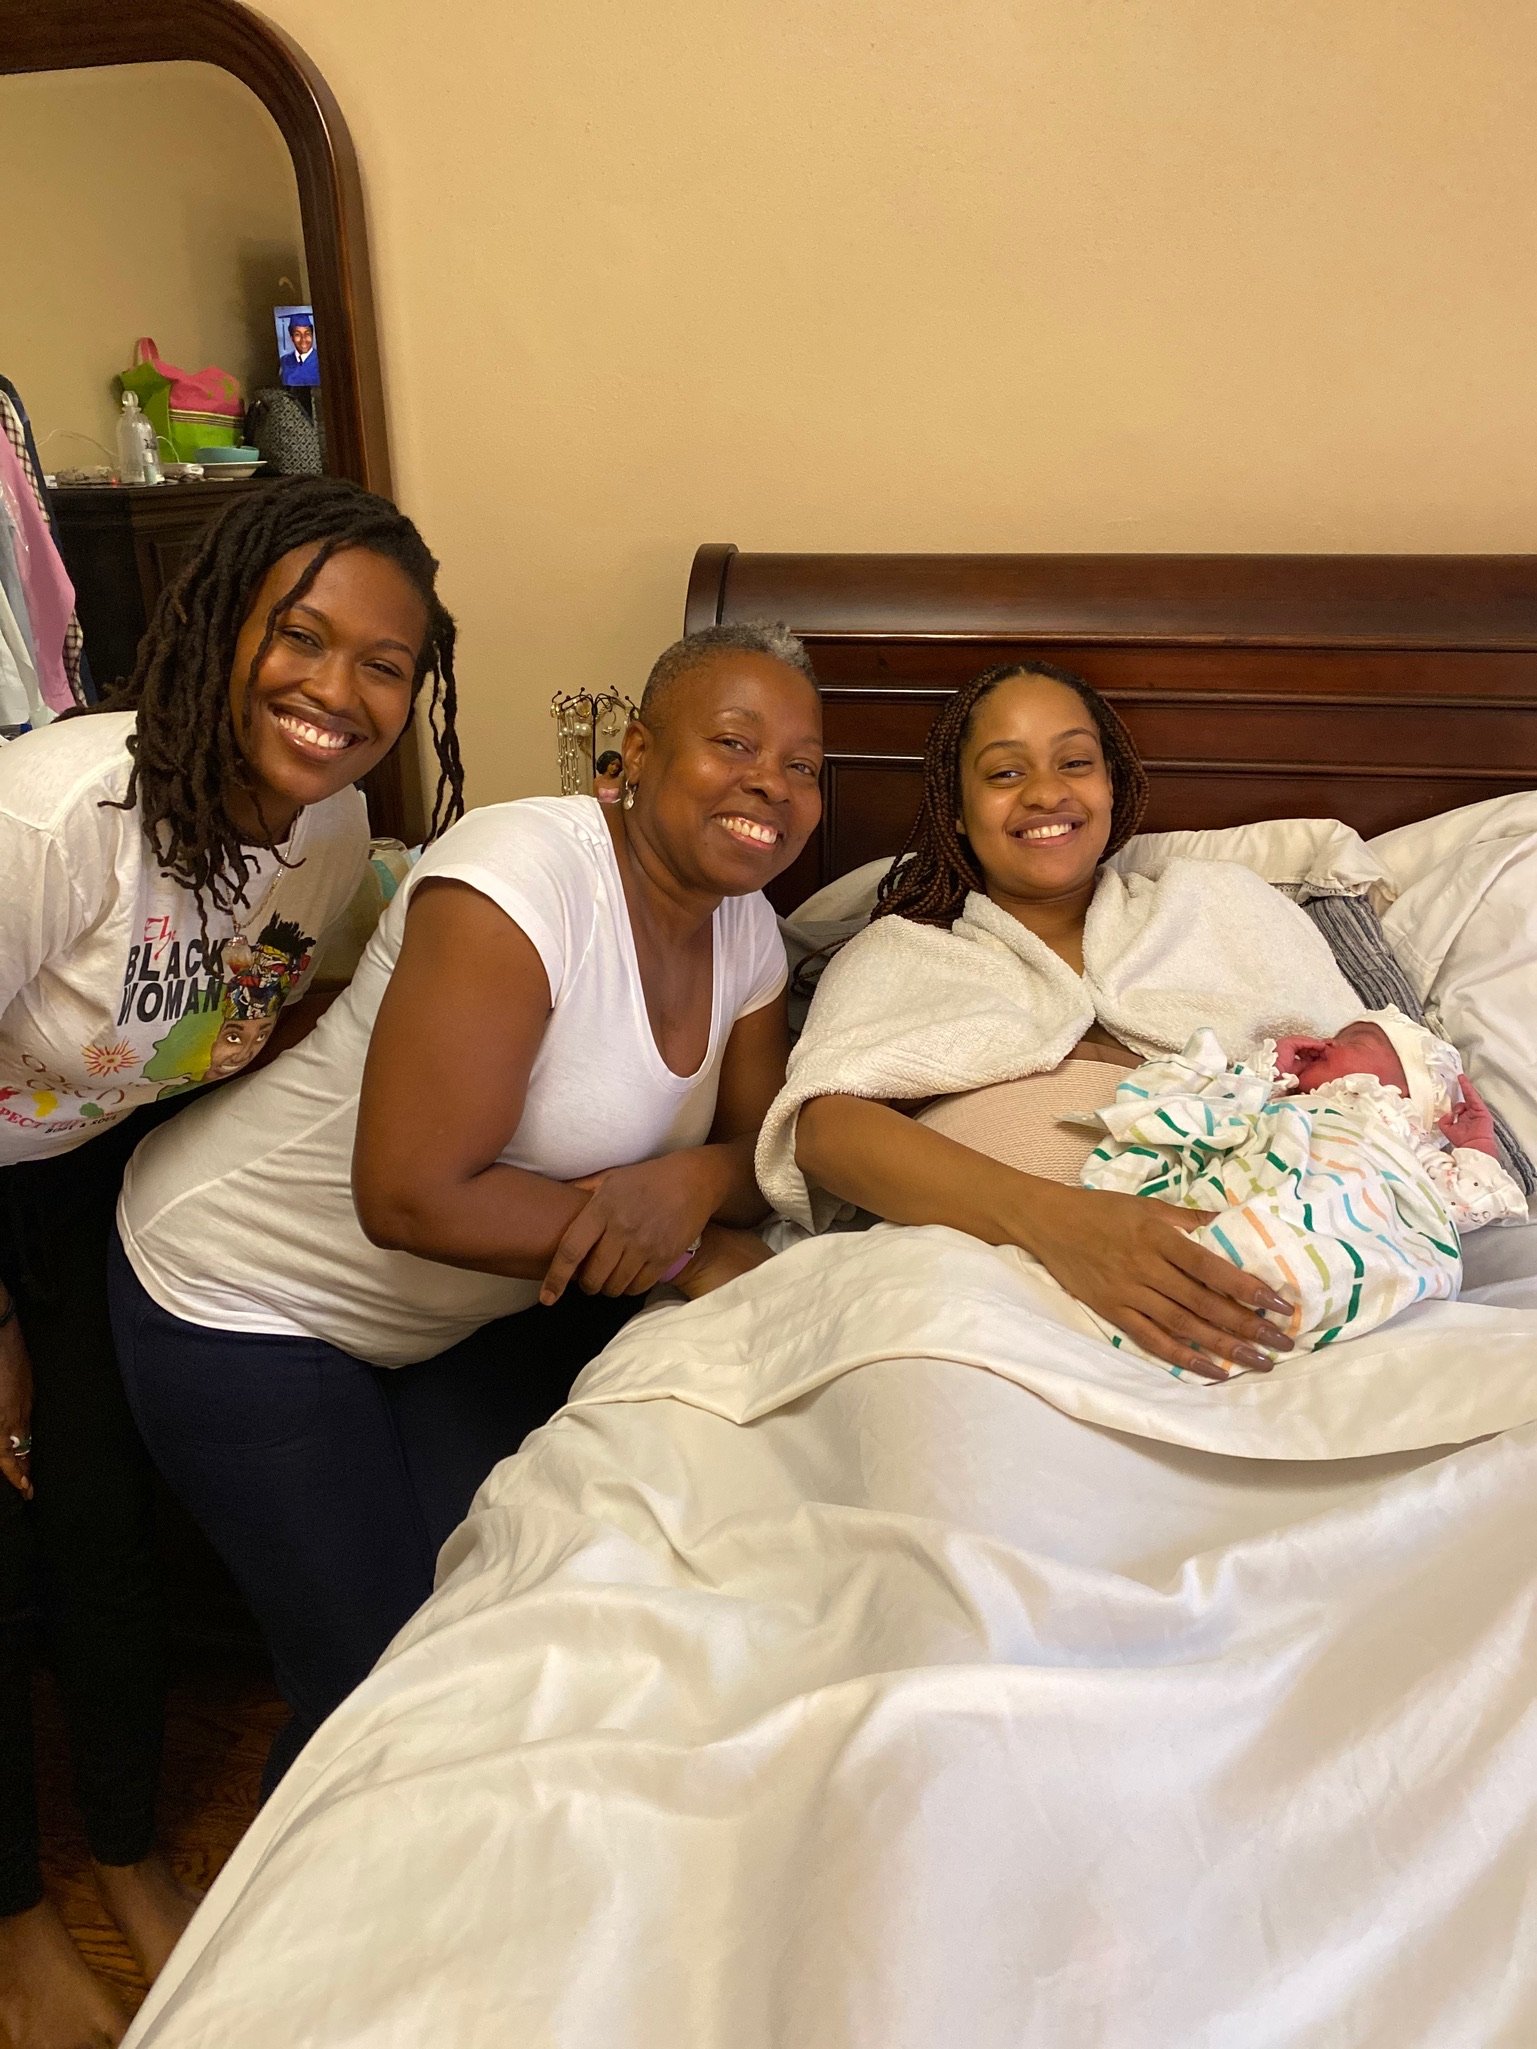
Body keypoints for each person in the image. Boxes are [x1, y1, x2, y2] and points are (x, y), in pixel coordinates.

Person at [109, 622, 825, 1791]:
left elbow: (764, 1147)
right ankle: (301, 1948)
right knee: (378, 1697)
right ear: (634, 752)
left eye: (803, 764)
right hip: (241, 1290)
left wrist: (691, 1183)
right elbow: (409, 1195)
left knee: (498, 1613)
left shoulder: (743, 927)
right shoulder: (521, 876)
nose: (772, 784)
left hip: (443, 1327)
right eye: (735, 742)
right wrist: (678, 1244)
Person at [0, 475, 463, 2046]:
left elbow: (267, 1018)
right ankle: (16, 1927)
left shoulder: (328, 837)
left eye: (384, 665)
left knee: (106, 1529)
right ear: (221, 631)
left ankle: (123, 1852)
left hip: (98, 1184)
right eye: (302, 636)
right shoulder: (61, 815)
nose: (338, 692)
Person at [766, 660, 1372, 1382]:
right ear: (954, 810)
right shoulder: (898, 953)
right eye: (1002, 774)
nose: (1045, 792)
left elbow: (1379, 1081)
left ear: (1111, 783)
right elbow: (825, 1132)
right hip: (978, 1312)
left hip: (1270, 1296)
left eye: (1074, 762)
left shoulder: (1222, 906)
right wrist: (1062, 1225)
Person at [1075, 1012, 1525, 1375]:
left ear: (1410, 1086)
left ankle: (1311, 1291)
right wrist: (1266, 1072)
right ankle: (1228, 1272)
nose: (1327, 1042)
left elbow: (1464, 1204)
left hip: (1355, 1219)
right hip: (1256, 1192)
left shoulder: (1408, 1142)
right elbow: (1217, 1108)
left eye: (1358, 1040)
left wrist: (1477, 1148)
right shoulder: (1279, 1101)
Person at [277, 314, 319, 388]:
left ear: (312, 335)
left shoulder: (321, 360)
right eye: (297, 334)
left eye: (307, 334)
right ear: (292, 338)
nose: (303, 339)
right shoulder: (285, 361)